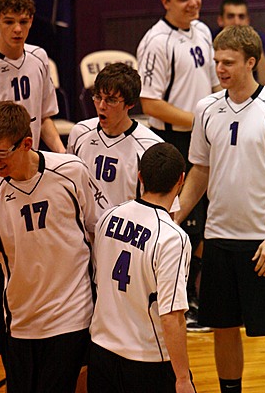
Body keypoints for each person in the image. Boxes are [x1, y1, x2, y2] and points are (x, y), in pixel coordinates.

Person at [176, 25, 265, 393]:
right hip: (219, 238)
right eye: (217, 61)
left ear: (251, 62)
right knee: (223, 327)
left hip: (263, 243)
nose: (219, 69)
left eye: (228, 62)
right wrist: (174, 216)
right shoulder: (207, 109)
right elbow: (200, 169)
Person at [137, 0, 221, 331]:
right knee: (182, 223)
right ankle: (180, 300)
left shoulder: (203, 30)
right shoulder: (157, 42)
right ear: (166, 1)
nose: (194, 2)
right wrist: (198, 118)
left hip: (204, 136)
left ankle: (195, 297)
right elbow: (150, 103)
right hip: (174, 141)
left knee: (206, 219)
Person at [0, 101, 98, 393]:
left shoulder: (71, 171)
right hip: (20, 321)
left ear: (27, 143)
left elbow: (94, 229)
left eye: (2, 153)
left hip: (71, 316)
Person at [88, 142, 195, 393]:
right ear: (181, 180)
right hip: (147, 360)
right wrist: (182, 378)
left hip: (101, 352)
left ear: (140, 177)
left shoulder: (108, 217)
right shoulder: (172, 237)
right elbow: (171, 316)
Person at [67, 62, 167, 209]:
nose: (101, 106)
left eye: (111, 100)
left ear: (130, 104)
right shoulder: (80, 133)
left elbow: (163, 211)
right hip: (83, 230)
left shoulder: (150, 147)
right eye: (97, 97)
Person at [0, 0, 66, 153]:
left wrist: (64, 155)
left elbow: (43, 118)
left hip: (29, 163)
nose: (17, 29)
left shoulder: (39, 57)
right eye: (9, 22)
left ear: (32, 21)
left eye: (23, 21)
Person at [212, 0, 265, 89]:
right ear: (220, 20)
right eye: (231, 16)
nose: (236, 22)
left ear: (248, 20)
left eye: (241, 17)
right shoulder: (210, 39)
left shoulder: (259, 39)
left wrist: (255, 46)